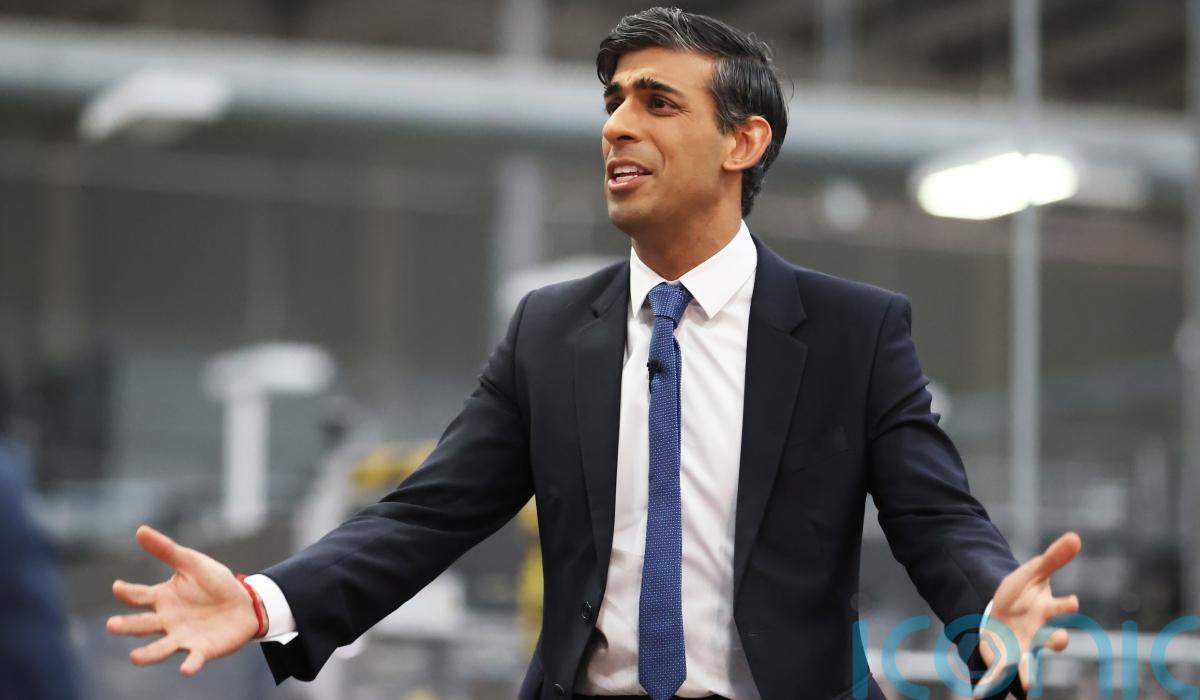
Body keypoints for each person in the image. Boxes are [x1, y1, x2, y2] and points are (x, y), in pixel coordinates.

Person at [108, 8, 1082, 700]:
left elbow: (936, 518)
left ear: (743, 142)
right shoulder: (550, 332)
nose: (617, 124)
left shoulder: (852, 333)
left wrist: (987, 614)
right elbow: (426, 515)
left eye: (658, 103)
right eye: (615, 101)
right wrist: (264, 597)